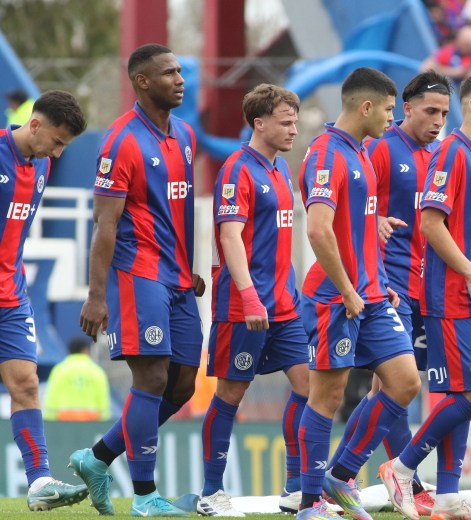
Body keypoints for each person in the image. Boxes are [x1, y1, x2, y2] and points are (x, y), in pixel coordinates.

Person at [71, 43, 205, 518]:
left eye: (181, 71)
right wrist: (95, 295)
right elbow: (104, 226)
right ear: (143, 82)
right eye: (169, 73)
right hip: (138, 275)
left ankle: (97, 457)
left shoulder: (185, 135)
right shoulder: (122, 141)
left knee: (184, 384)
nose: (180, 79)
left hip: (177, 276)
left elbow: (179, 209)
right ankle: (146, 497)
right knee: (151, 375)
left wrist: (189, 264)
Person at [378, 73, 471, 520]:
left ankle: (450, 497)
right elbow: (431, 223)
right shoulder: (451, 154)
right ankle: (400, 468)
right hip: (452, 294)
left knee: (460, 392)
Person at [295, 67, 421, 520]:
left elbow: (360, 229)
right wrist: (349, 289)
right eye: (389, 109)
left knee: (405, 381)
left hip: (371, 294)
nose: (393, 117)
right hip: (336, 296)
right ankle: (311, 504)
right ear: (366, 107)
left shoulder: (363, 153)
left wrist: (379, 286)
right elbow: (318, 230)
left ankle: (341, 473)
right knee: (326, 396)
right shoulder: (327, 153)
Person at [327, 70, 453, 518]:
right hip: (387, 283)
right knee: (397, 384)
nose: (438, 120)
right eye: (430, 111)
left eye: (444, 112)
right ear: (406, 107)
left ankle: (340, 478)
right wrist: (375, 220)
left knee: (391, 387)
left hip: (423, 284)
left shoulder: (438, 154)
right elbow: (357, 201)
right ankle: (405, 479)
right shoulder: (381, 147)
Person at [194, 84, 310, 517]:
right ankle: (210, 493)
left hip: (284, 304)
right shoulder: (237, 169)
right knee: (230, 393)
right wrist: (249, 296)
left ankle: (296, 487)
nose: (294, 128)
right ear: (259, 123)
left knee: (308, 386)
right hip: (245, 307)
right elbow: (229, 236)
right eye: (286, 121)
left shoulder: (279, 171)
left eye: (295, 120)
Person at [0, 89, 88, 511]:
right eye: (56, 142)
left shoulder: (39, 168)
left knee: (27, 383)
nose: (57, 154)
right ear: (34, 124)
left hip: (11, 296)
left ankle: (39, 483)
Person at [44, 337, 111, 421]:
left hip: (64, 421)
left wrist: (49, 421)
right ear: (86, 350)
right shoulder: (97, 371)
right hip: (91, 422)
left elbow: (51, 397)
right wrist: (104, 422)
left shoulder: (59, 370)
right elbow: (103, 402)